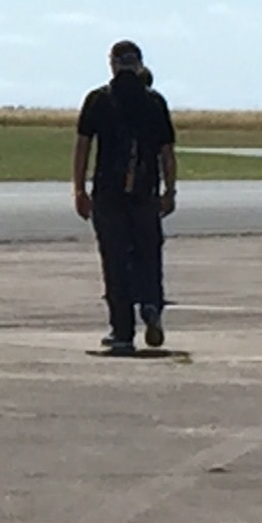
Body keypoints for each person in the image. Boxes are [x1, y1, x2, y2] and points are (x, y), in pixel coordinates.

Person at [72, 40, 176, 354]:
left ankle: (122, 331)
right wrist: (169, 191)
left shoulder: (98, 100)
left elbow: (83, 147)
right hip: (145, 191)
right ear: (139, 64)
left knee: (115, 259)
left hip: (109, 192)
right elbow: (167, 153)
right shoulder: (154, 101)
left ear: (113, 64)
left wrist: (79, 189)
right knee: (148, 254)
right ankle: (151, 304)